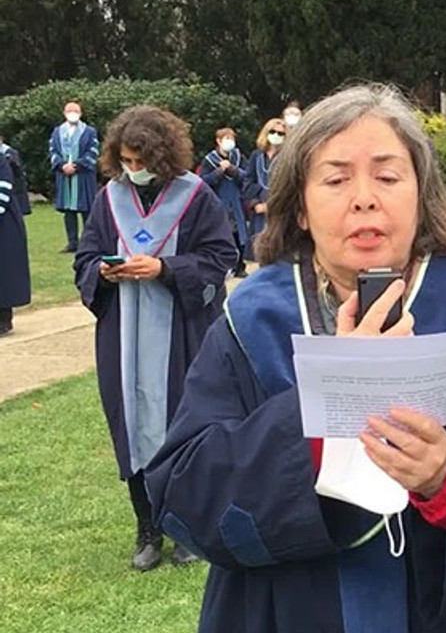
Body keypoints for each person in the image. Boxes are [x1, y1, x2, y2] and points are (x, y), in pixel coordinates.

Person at [145, 84, 446, 632]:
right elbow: (181, 492)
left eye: (387, 176)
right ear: (302, 209)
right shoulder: (251, 323)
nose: (364, 198)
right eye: (335, 179)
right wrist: (323, 417)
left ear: (421, 196)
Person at [72, 106, 237, 571]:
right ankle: (147, 528)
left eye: (141, 162)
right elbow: (84, 258)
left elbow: (221, 255)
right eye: (125, 161)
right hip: (122, 334)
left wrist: (165, 268)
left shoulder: (196, 196)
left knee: (182, 424)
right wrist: (103, 271)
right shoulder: (109, 200)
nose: (133, 170)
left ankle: (186, 527)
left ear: (162, 157)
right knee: (130, 424)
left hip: (182, 334)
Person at [199, 128, 251, 276]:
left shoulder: (238, 156)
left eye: (232, 138)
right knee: (223, 233)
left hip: (236, 202)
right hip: (219, 202)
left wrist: (233, 170)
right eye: (226, 138)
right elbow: (204, 180)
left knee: (239, 235)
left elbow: (247, 176)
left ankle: (240, 266)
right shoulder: (210, 160)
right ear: (218, 141)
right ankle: (224, 266)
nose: (230, 142)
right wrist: (219, 171)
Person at [49, 100, 99, 252]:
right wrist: (62, 165)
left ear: (81, 113)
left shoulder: (89, 131)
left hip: (82, 176)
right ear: (64, 113)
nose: (72, 114)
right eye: (69, 111)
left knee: (86, 210)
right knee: (69, 211)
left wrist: (77, 165)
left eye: (75, 111)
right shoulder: (58, 131)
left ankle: (88, 242)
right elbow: (52, 150)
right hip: (65, 176)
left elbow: (93, 151)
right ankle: (72, 243)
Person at [0, 137, 31, 337]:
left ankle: (3, 319)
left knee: (4, 272)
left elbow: (4, 187)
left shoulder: (3, 160)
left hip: (4, 224)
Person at [245, 118, 288, 259]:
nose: (276, 135)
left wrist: (273, 205)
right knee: (259, 249)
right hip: (259, 210)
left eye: (281, 133)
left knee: (279, 250)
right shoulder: (256, 155)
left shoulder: (287, 157)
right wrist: (255, 203)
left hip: (279, 209)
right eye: (273, 132)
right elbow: (248, 181)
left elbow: (291, 183)